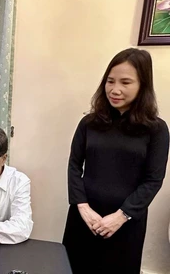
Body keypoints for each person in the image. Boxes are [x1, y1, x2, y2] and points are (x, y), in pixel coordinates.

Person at [62, 48, 169, 274]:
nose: (115, 89)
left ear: (143, 85)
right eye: (110, 81)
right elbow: (74, 166)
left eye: (126, 82)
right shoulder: (89, 123)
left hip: (126, 222)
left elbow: (153, 180)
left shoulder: (156, 129)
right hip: (84, 217)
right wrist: (82, 207)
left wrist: (121, 216)